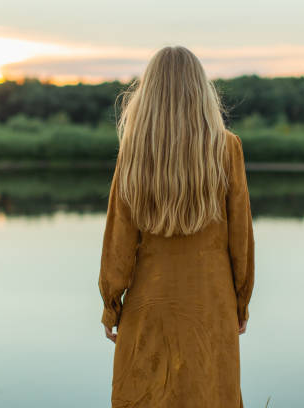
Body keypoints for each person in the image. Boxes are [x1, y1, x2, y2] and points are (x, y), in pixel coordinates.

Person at [98, 45, 255, 408]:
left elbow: (118, 241)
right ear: (201, 91)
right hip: (211, 305)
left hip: (149, 306)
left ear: (148, 92)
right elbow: (240, 242)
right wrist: (240, 303)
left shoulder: (134, 150)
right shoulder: (227, 148)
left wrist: (111, 305)